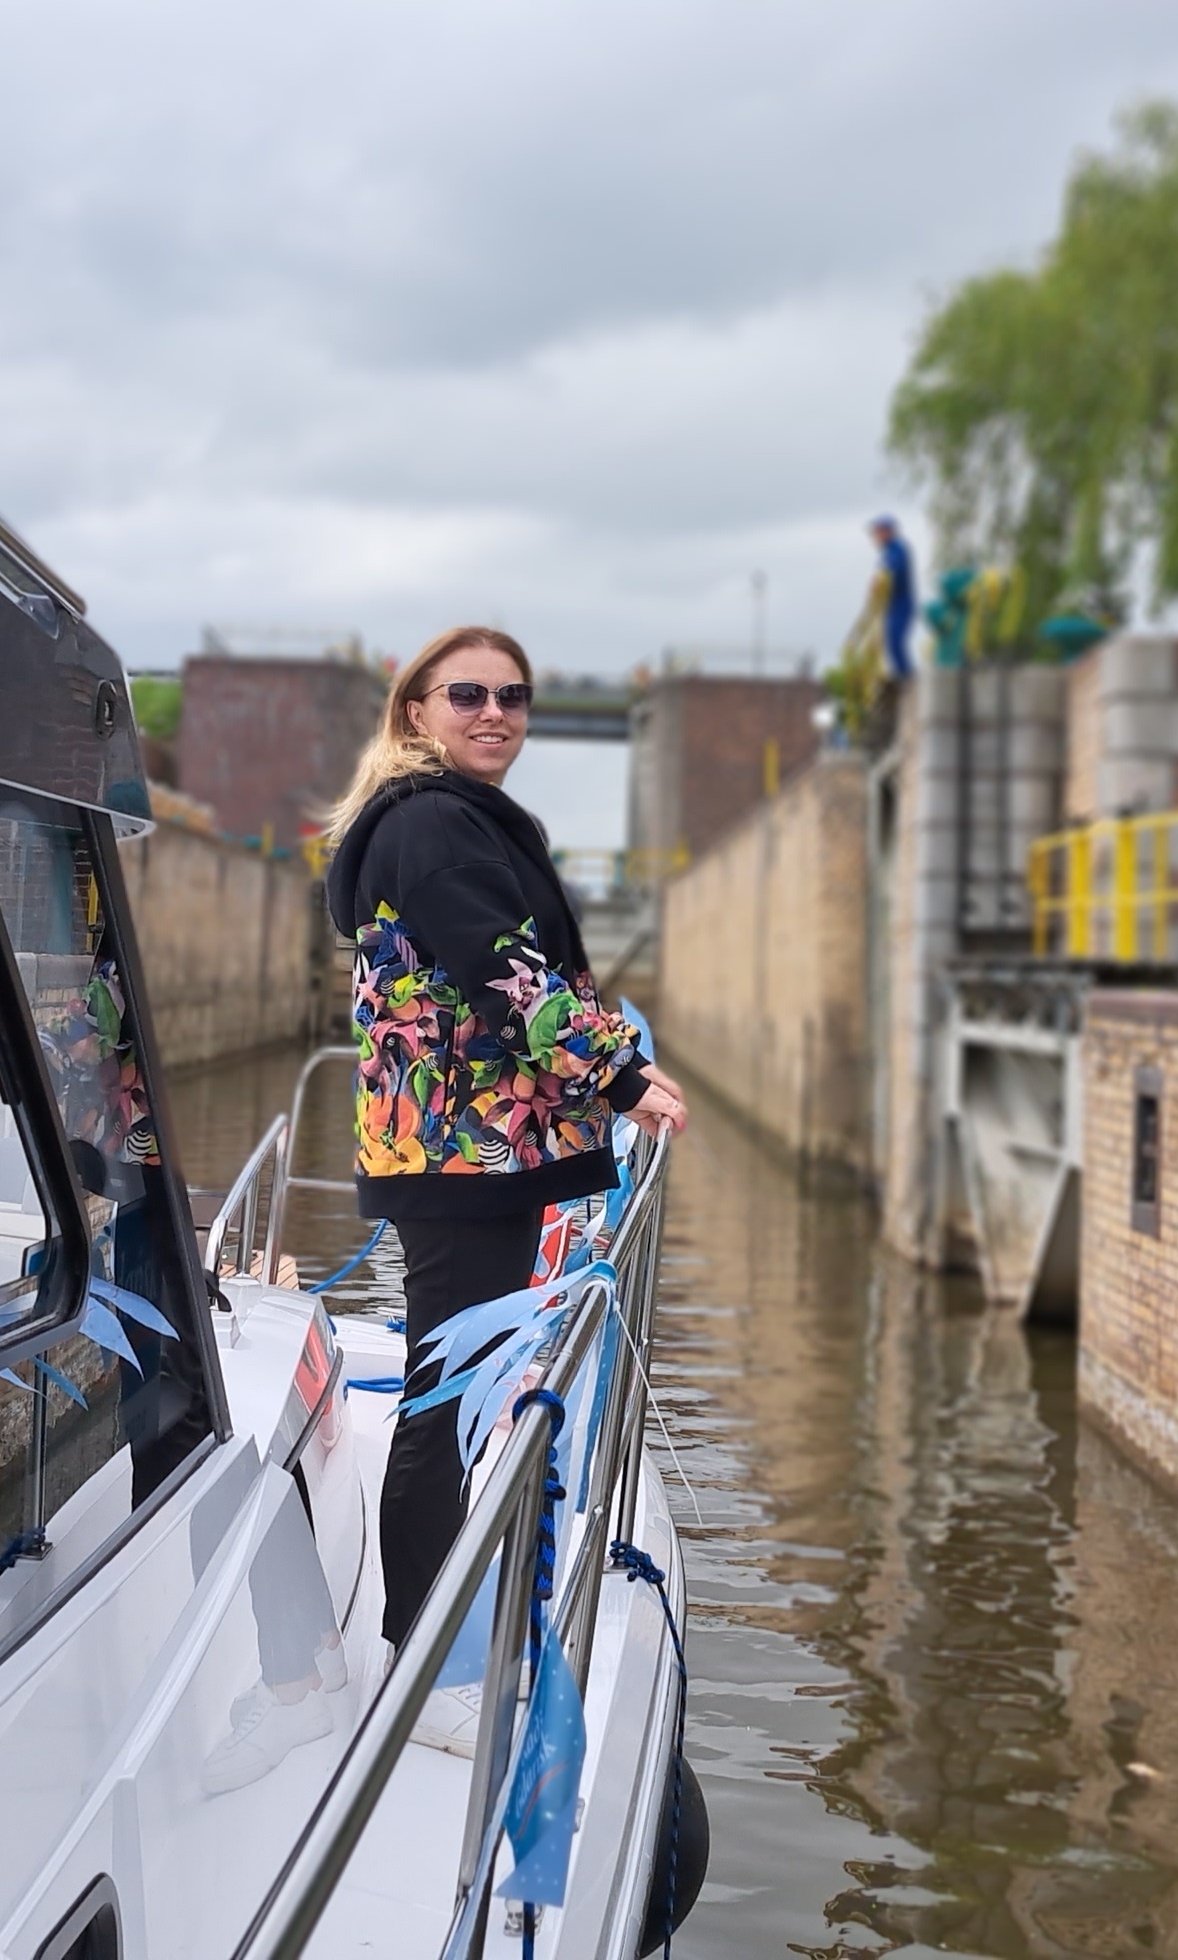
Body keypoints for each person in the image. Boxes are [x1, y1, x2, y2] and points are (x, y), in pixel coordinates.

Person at [317, 624, 687, 1751]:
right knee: (439, 1405)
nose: (495, 713)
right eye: (467, 693)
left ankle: (421, 1651)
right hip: (466, 1158)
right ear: (414, 710)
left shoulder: (443, 816)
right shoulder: (430, 822)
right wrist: (622, 1077)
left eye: (513, 696)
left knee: (455, 1388)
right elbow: (507, 970)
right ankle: (421, 1672)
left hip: (473, 1148)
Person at [870, 516, 917, 679]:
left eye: (878, 532)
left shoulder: (898, 549)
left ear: (888, 531)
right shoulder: (887, 552)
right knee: (889, 640)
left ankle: (906, 677)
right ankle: (901, 675)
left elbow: (893, 571)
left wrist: (879, 580)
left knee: (895, 638)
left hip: (902, 602)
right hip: (891, 604)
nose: (875, 536)